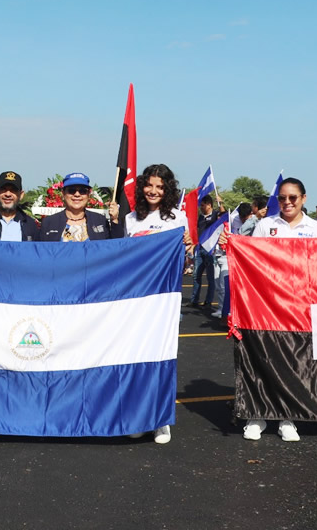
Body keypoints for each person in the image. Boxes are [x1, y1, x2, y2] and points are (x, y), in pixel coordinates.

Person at [230, 177, 317, 442]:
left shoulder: (316, 228)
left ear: (304, 199)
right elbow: (251, 259)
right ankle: (258, 414)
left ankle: (287, 417)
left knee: (294, 360)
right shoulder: (266, 225)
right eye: (282, 198)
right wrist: (230, 243)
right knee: (263, 357)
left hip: (301, 305)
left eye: (293, 198)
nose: (287, 203)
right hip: (267, 302)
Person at [123, 163, 191, 444]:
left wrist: (188, 246)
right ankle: (140, 416)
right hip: (136, 301)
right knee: (136, 358)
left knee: (161, 358)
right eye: (149, 185)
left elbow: (185, 262)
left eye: (160, 187)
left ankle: (161, 419)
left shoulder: (177, 218)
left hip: (164, 300)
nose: (153, 191)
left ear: (168, 190)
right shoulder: (129, 220)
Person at [39, 172, 123, 241]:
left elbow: (116, 247)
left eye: (82, 191)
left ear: (88, 195)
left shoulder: (99, 221)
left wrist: (114, 219)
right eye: (71, 190)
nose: (77, 194)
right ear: (63, 194)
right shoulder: (48, 223)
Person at [188, 196, 221, 307]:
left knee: (210, 278)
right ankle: (194, 300)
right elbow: (197, 232)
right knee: (196, 276)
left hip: (210, 251)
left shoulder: (216, 216)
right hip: (200, 249)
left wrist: (220, 203)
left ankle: (208, 302)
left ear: (209, 205)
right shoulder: (201, 217)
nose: (200, 208)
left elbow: (225, 217)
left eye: (202, 205)